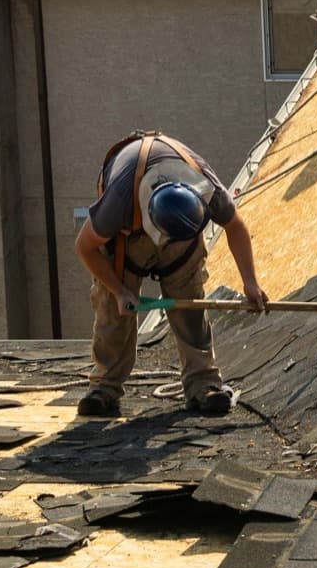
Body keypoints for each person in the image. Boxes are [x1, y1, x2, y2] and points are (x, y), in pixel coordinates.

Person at [73, 130, 268, 420]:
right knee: (113, 310)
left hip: (183, 238)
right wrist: (119, 291)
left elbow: (236, 227)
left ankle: (204, 383)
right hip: (128, 237)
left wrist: (250, 283)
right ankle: (104, 388)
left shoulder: (205, 186)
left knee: (189, 301)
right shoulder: (119, 201)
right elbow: (85, 247)